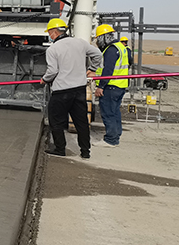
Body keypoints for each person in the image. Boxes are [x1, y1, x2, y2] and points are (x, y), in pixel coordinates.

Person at [42, 18, 103, 159]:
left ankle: (60, 149)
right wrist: (92, 68)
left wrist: (44, 79)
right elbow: (98, 55)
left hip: (61, 91)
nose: (49, 36)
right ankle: (85, 152)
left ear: (54, 32)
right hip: (79, 90)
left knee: (55, 120)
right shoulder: (80, 43)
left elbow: (52, 71)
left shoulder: (53, 49)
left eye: (49, 33)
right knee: (81, 122)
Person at [95, 24, 129, 147]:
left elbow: (108, 70)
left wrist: (101, 86)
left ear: (103, 37)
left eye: (98, 39)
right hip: (120, 85)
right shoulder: (121, 47)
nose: (97, 42)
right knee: (115, 112)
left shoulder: (110, 50)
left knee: (108, 113)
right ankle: (116, 135)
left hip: (110, 86)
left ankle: (111, 139)